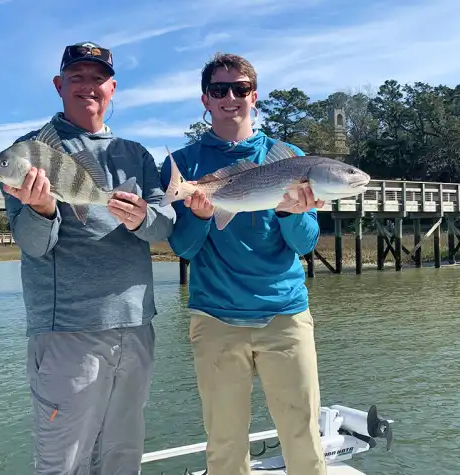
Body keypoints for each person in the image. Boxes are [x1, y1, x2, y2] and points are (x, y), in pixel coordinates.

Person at [1, 41, 175, 475]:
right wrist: (42, 209)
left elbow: (164, 227)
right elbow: (33, 244)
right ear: (59, 85)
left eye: (97, 78)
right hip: (68, 332)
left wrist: (142, 219)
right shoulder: (26, 155)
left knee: (122, 454)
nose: (88, 86)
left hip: (136, 325)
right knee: (64, 461)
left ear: (112, 88)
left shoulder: (137, 154)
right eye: (77, 77)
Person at [159, 52, 327, 475]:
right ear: (205, 99)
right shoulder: (185, 164)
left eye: (240, 89)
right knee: (224, 445)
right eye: (220, 90)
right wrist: (199, 216)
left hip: (285, 316)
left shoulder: (290, 157)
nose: (230, 97)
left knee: (303, 437)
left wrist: (291, 211)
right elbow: (183, 248)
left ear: (255, 96)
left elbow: (305, 244)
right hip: (215, 319)